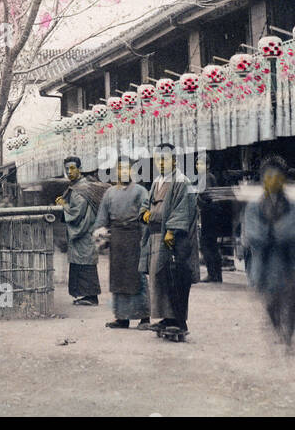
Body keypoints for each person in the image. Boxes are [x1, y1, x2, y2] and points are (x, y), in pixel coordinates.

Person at [242, 155, 295, 351]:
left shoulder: (292, 205)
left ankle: (288, 334)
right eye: (268, 176)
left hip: (291, 263)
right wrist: (267, 233)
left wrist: (276, 230)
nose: (272, 180)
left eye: (277, 176)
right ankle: (277, 330)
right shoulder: (254, 206)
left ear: (283, 179)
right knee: (271, 303)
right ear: (263, 179)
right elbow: (251, 234)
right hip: (267, 264)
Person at [140, 143, 198, 339]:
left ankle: (178, 321)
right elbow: (146, 205)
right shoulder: (157, 180)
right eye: (158, 159)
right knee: (159, 279)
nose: (161, 163)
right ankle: (166, 317)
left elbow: (183, 209)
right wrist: (145, 214)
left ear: (174, 160)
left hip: (172, 239)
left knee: (174, 278)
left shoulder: (182, 181)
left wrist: (172, 230)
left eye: (164, 159)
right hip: (155, 237)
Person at [94, 156, 151, 329]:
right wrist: (100, 234)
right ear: (116, 171)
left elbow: (145, 217)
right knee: (118, 277)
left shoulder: (141, 191)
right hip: (117, 238)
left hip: (135, 237)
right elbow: (102, 218)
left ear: (132, 171)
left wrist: (145, 239)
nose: (123, 172)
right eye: (120, 168)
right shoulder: (110, 193)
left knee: (137, 275)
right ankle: (121, 318)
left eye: (127, 168)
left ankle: (144, 317)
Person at [56, 156, 100, 305]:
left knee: (85, 261)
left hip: (84, 230)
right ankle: (85, 296)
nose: (69, 171)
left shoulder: (82, 188)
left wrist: (64, 205)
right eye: (67, 169)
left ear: (80, 169)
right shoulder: (78, 186)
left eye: (73, 168)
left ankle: (91, 296)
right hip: (82, 230)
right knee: (79, 260)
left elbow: (77, 212)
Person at [196, 154, 225, 283]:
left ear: (207, 165)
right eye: (197, 164)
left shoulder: (206, 177)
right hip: (212, 213)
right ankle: (216, 275)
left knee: (206, 244)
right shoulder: (208, 177)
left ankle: (212, 274)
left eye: (201, 164)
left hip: (209, 213)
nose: (198, 166)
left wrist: (196, 200)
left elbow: (204, 197)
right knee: (212, 245)